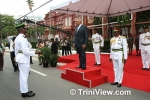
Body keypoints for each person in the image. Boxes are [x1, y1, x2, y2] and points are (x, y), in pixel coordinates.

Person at [14, 24, 39, 98]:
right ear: (22, 29)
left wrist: (16, 57)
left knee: (22, 76)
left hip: (20, 58)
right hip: (24, 59)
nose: (27, 30)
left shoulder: (18, 38)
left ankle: (24, 90)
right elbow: (25, 51)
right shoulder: (22, 38)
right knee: (24, 76)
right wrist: (35, 52)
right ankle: (24, 92)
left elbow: (19, 49)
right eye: (26, 29)